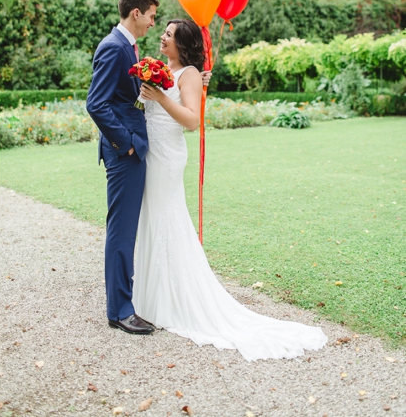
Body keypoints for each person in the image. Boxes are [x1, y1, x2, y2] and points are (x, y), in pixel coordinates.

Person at [133, 19, 328, 360]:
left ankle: (171, 298)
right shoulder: (162, 69)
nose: (162, 37)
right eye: (163, 31)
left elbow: (193, 121)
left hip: (167, 157)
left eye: (169, 34)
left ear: (183, 43)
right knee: (151, 218)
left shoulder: (190, 74)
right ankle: (149, 294)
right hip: (152, 152)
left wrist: (161, 98)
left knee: (166, 219)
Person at [86, 0, 159, 335]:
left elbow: (122, 99)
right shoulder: (114, 48)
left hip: (131, 148)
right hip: (123, 153)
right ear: (136, 13)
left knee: (126, 229)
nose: (152, 23)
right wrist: (126, 143)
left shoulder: (128, 47)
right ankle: (120, 310)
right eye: (151, 16)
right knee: (121, 231)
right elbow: (95, 104)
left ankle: (123, 302)